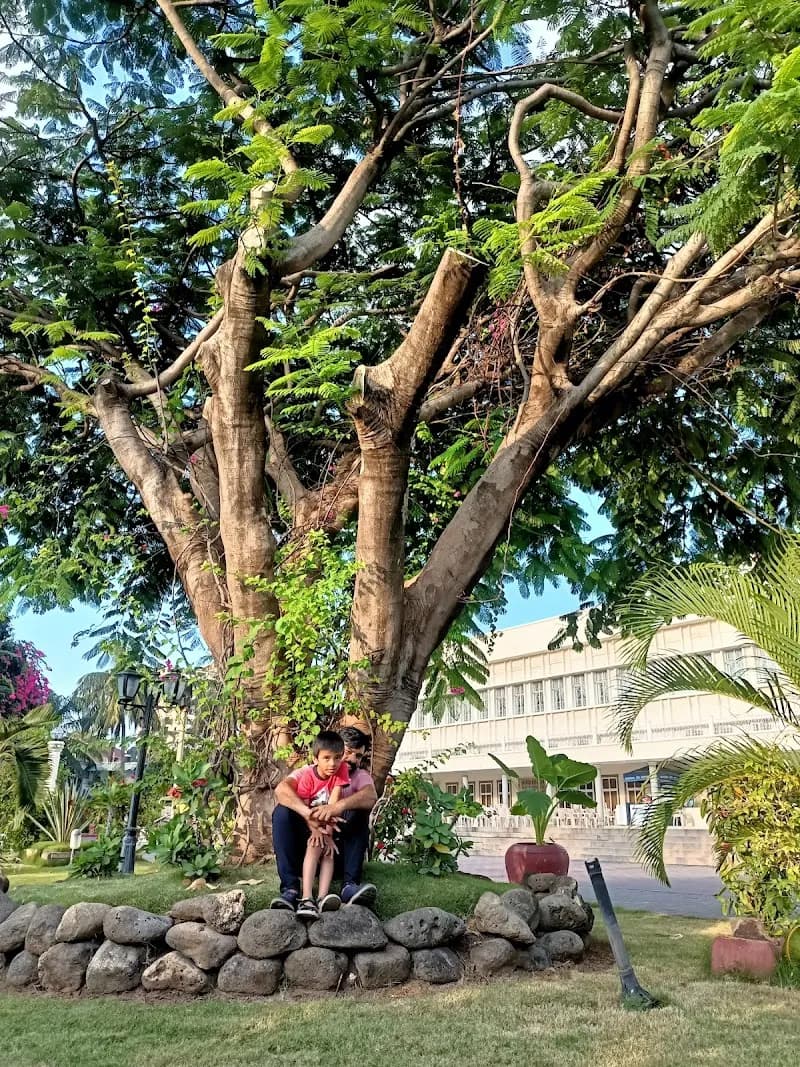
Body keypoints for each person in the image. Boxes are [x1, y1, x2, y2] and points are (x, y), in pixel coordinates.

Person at [271, 725, 378, 912]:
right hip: (309, 846)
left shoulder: (360, 776)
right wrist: (308, 816)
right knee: (282, 812)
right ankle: (290, 889)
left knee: (359, 811)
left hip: (337, 852)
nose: (352, 760)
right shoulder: (308, 772)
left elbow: (370, 797)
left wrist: (337, 807)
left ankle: (349, 886)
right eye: (348, 752)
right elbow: (281, 790)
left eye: (358, 756)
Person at [289, 730, 350, 918]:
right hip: (308, 823)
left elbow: (333, 805)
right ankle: (307, 898)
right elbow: (305, 811)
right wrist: (316, 831)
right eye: (326, 758)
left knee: (328, 853)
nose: (333, 763)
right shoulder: (308, 776)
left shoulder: (341, 770)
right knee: (315, 846)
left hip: (329, 823)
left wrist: (328, 835)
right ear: (315, 759)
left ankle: (323, 898)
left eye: (337, 758)